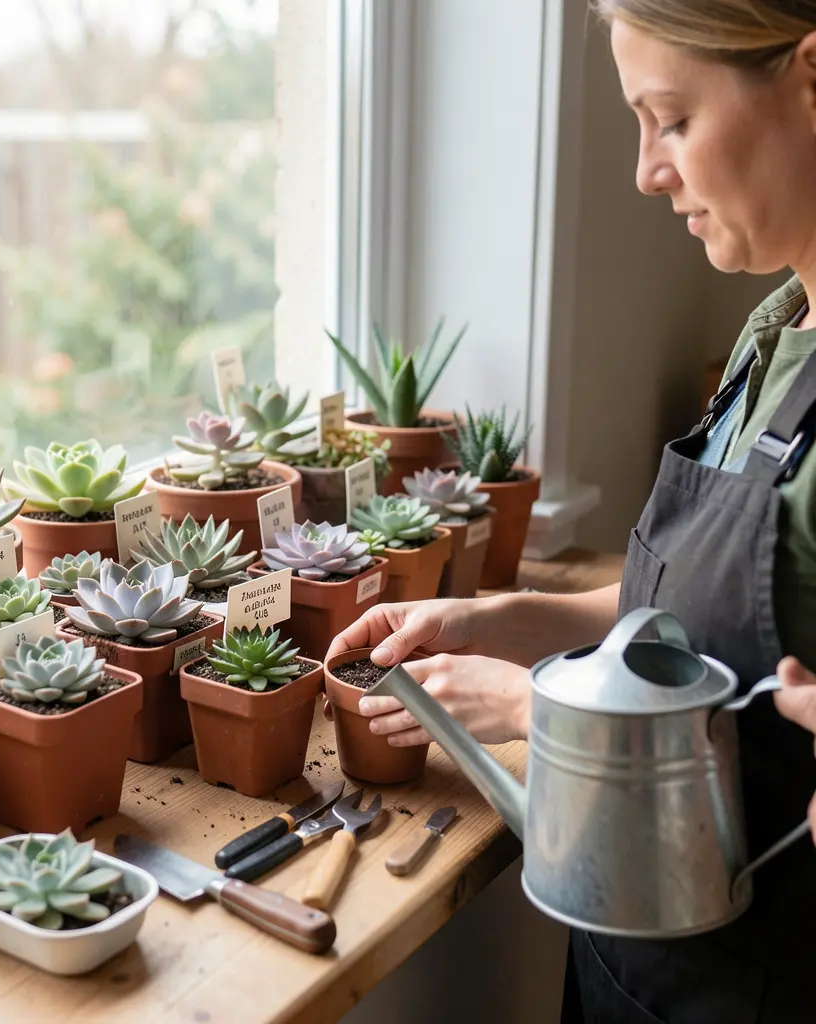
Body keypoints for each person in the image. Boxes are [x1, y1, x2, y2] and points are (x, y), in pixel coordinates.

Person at [327, 3, 816, 1020]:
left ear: (810, 76)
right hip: (630, 971)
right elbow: (690, 620)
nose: (646, 169)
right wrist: (501, 619)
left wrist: (539, 715)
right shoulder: (775, 331)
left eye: (670, 117)